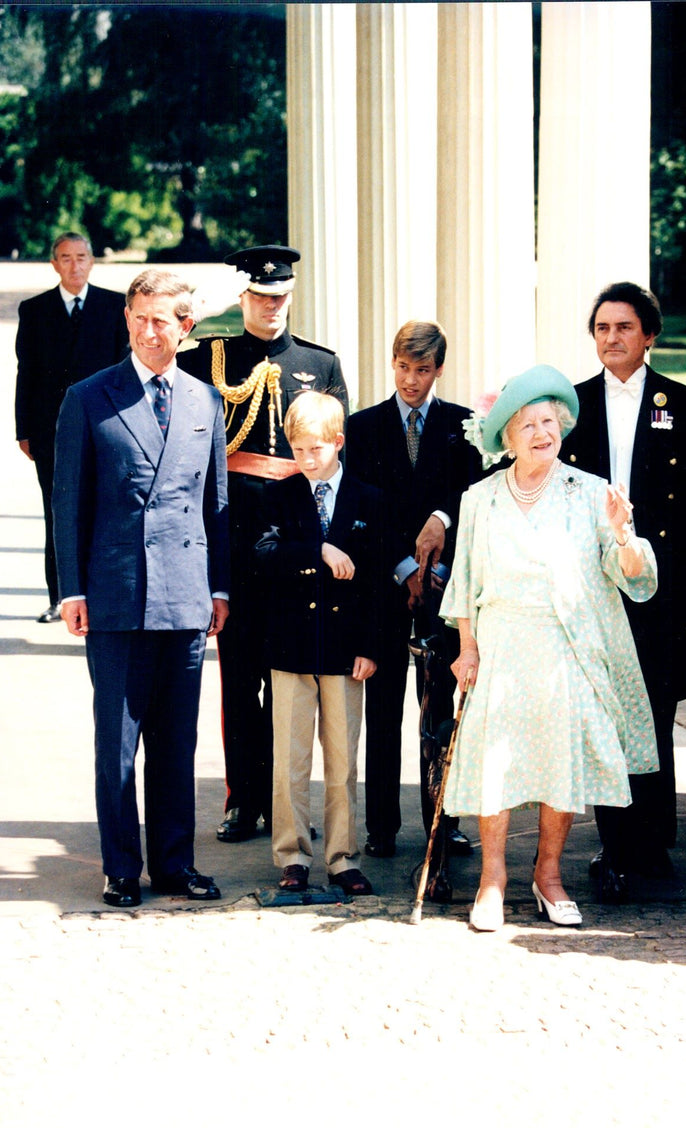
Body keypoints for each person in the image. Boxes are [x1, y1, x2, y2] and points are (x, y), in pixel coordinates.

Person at [441, 364, 659, 932]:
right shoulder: (480, 498)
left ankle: (549, 875)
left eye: (549, 422)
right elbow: (464, 581)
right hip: (502, 646)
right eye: (529, 425)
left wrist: (620, 531)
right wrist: (467, 647)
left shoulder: (590, 493)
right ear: (506, 438)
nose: (542, 433)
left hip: (566, 649)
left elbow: (630, 575)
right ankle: (492, 880)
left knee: (559, 765)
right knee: (497, 765)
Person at [52, 269, 229, 909]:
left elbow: (217, 509)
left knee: (177, 745)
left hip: (184, 596)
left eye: (162, 320)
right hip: (118, 595)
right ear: (126, 319)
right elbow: (67, 504)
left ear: (186, 327)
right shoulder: (88, 397)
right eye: (139, 318)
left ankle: (175, 867)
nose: (148, 331)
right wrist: (73, 590)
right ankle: (121, 867)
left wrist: (221, 589)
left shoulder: (206, 401)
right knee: (118, 745)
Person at [561, 282, 686, 901]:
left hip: (663, 587)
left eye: (624, 327)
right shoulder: (572, 405)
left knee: (657, 711)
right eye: (602, 327)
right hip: (595, 589)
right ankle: (617, 844)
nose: (611, 338)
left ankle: (654, 840)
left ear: (649, 334)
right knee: (608, 714)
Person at [177, 245, 349, 844]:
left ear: (290, 297)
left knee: (294, 682)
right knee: (240, 681)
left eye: (280, 297)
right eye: (259, 296)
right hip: (236, 537)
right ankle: (242, 799)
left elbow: (331, 452)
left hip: (299, 544)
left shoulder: (318, 364)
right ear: (243, 298)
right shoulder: (211, 359)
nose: (270, 306)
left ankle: (288, 805)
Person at [345, 321, 483, 859]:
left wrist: (441, 521)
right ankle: (381, 826)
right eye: (403, 367)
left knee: (440, 708)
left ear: (439, 369)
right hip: (383, 588)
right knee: (382, 708)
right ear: (393, 363)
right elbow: (360, 507)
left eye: (422, 370)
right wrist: (404, 565)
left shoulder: (463, 426)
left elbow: (469, 494)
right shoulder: (364, 428)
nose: (410, 380)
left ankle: (442, 820)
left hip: (443, 591)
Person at [254, 393, 380, 896]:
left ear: (338, 443)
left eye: (316, 450)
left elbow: (374, 583)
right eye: (297, 449)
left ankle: (342, 856)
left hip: (346, 652)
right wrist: (317, 549)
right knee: (290, 759)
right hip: (290, 649)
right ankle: (293, 854)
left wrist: (370, 646)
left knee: (343, 761)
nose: (306, 460)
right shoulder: (279, 496)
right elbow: (263, 554)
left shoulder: (368, 499)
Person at [15, 232, 129, 622]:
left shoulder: (115, 307)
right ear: (54, 264)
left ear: (92, 261)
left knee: (105, 510)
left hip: (105, 428)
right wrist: (24, 430)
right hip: (51, 431)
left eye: (81, 257)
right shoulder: (34, 310)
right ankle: (59, 597)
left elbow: (123, 372)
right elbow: (25, 373)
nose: (74, 265)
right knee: (58, 512)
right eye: (66, 258)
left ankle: (101, 595)